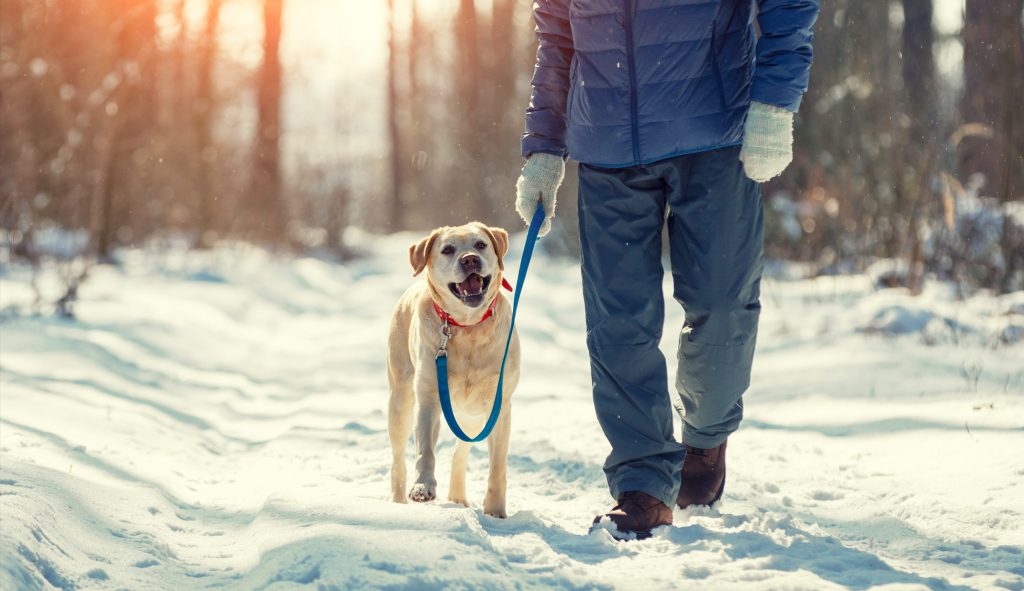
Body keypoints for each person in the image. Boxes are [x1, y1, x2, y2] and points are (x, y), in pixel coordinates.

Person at [514, 0, 819, 539]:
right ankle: (643, 485)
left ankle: (706, 435)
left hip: (714, 135)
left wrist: (775, 102)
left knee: (722, 304)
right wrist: (544, 144)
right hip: (606, 145)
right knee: (617, 322)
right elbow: (557, 37)